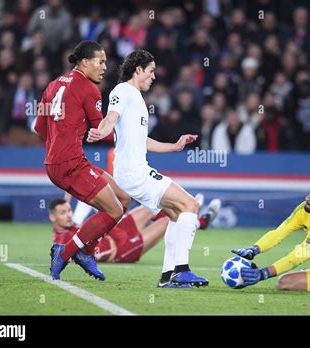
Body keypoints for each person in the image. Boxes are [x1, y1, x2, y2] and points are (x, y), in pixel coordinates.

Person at [87, 50, 210, 288]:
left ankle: (168, 275)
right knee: (191, 205)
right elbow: (110, 118)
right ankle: (181, 271)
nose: (154, 76)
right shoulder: (123, 91)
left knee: (176, 214)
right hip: (134, 172)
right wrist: (101, 131)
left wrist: (174, 147)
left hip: (135, 170)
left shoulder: (136, 98)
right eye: (151, 71)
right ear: (138, 70)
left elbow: (142, 141)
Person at [34, 40, 131, 281]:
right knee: (114, 210)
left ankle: (86, 250)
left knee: (122, 198)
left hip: (59, 162)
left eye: (106, 62)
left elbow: (39, 128)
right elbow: (103, 130)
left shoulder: (53, 85)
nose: (105, 67)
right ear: (85, 62)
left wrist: (60, 144)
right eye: (100, 61)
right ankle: (66, 252)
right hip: (70, 164)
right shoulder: (89, 89)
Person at [49, 194, 220, 264]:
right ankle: (199, 222)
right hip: (122, 249)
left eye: (68, 211)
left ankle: (189, 211)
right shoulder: (61, 241)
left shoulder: (74, 226)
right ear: (52, 217)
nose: (69, 215)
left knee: (151, 206)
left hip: (116, 232)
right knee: (167, 221)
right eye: (63, 213)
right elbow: (74, 257)